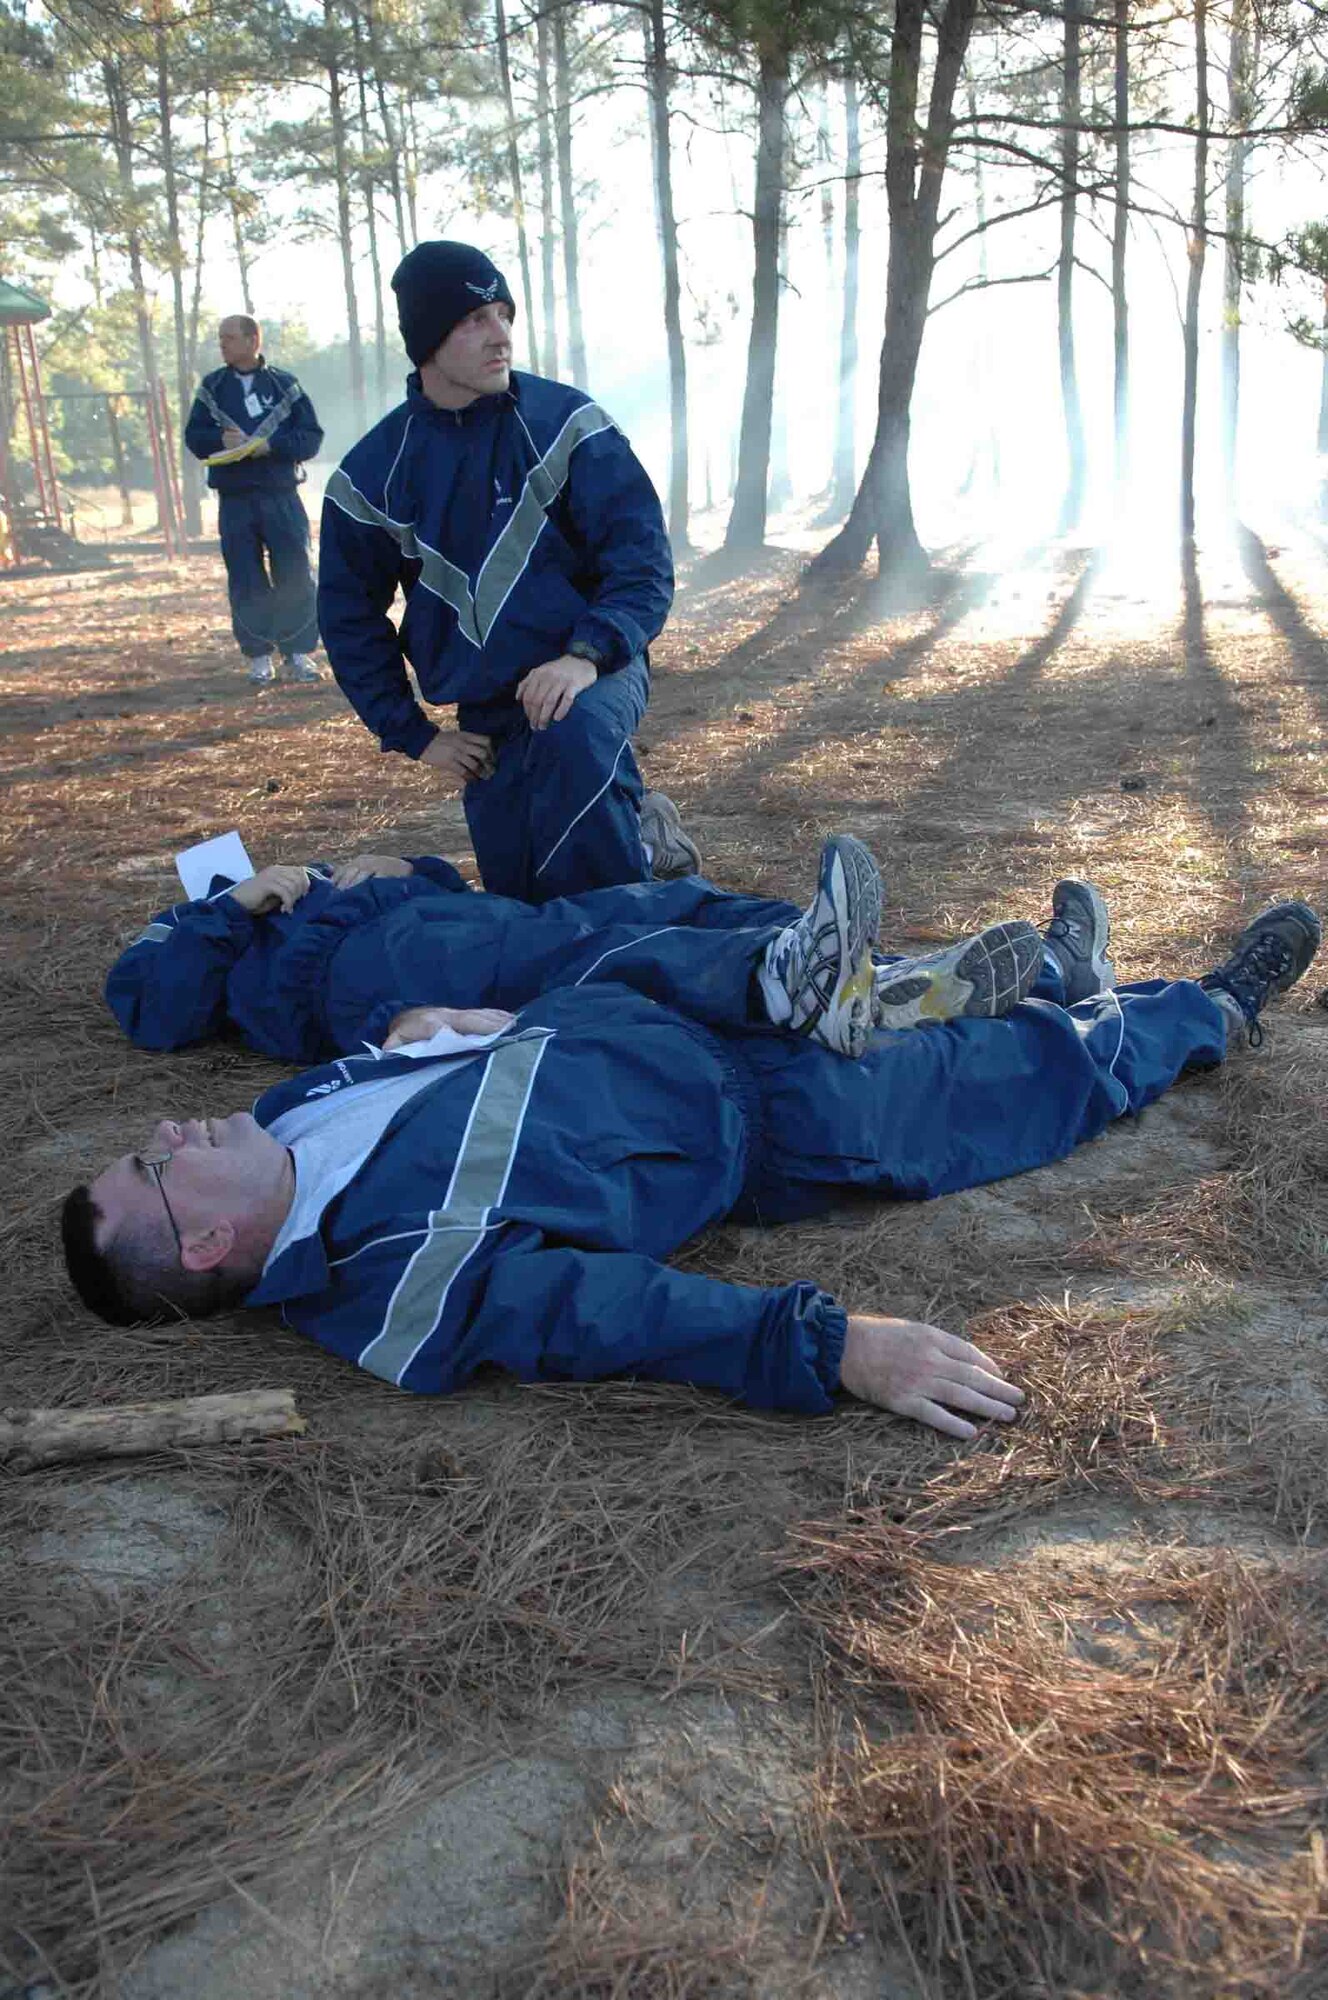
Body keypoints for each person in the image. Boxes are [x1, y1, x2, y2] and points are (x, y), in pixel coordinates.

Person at [63, 884, 1320, 1436]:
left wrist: (421, 1025)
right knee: (1021, 1080)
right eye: (152, 1166)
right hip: (754, 1116)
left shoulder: (287, 1112)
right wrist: (835, 1346)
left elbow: (418, 1067)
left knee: (703, 941)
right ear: (209, 1245)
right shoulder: (394, 1284)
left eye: (146, 1142)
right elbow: (614, 1313)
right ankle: (1205, 1009)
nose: (169, 1133)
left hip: (644, 996)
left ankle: (1016, 969)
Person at [317, 240, 694, 903]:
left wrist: (585, 656)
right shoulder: (372, 475)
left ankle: (658, 929)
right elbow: (349, 618)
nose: (501, 336)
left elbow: (642, 564)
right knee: (523, 900)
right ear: (427, 340)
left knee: (575, 760)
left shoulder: (567, 424)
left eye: (504, 314)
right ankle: (644, 839)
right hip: (488, 708)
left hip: (591, 673)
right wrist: (415, 735)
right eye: (474, 320)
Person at [104, 833, 1051, 1064]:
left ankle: (875, 971)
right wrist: (231, 906)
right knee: (596, 961)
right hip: (368, 976)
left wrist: (401, 863)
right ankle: (784, 982)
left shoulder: (307, 878)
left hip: (463, 918)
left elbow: (440, 882)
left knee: (659, 901)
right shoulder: (195, 928)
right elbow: (152, 1008)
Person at [184, 314, 324, 688]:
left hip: (281, 495)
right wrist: (219, 440)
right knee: (245, 576)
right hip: (235, 499)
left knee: (295, 572)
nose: (222, 344)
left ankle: (299, 654)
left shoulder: (284, 385)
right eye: (220, 338)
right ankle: (259, 658)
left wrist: (271, 446)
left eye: (229, 337)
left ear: (252, 341)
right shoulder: (212, 387)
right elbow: (194, 437)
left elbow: (311, 438)